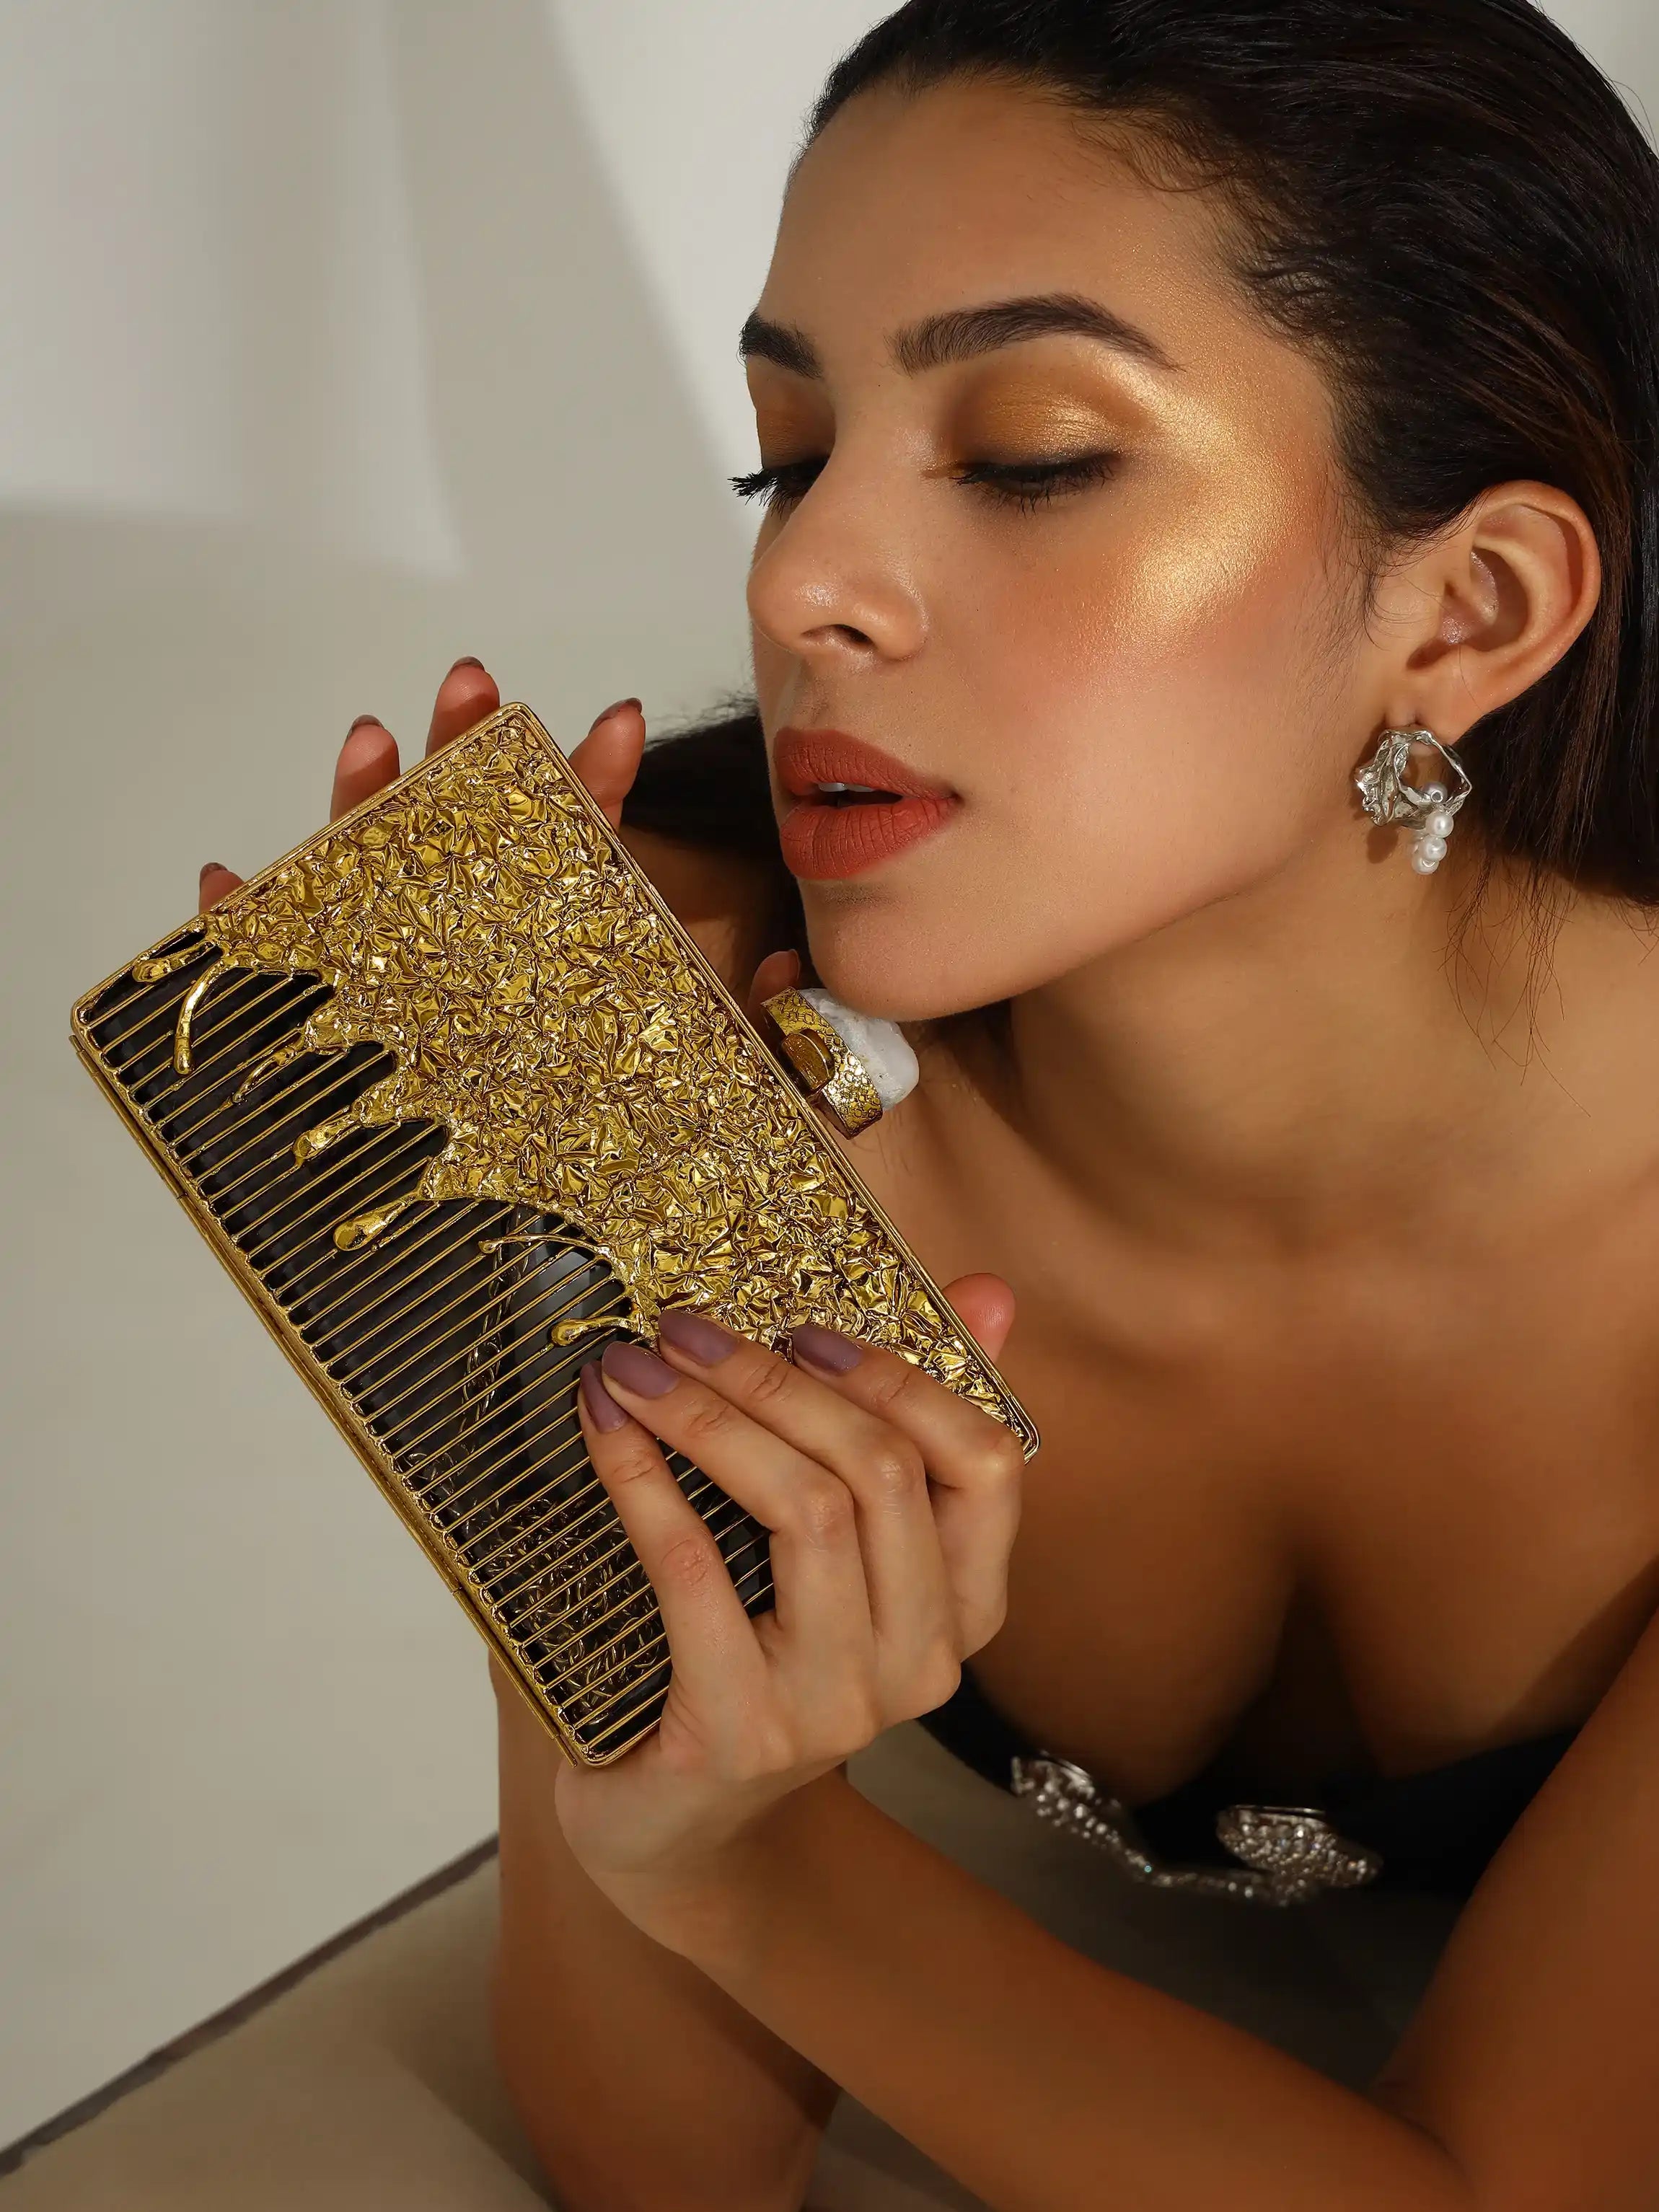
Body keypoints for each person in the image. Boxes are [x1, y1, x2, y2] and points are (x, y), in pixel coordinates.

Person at [199, 1, 1659, 2203]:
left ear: (1465, 608)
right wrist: (534, 1357)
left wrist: (759, 1873)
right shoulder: (660, 1034)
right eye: (786, 456)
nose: (798, 584)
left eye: (1030, 455)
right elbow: (657, 2169)